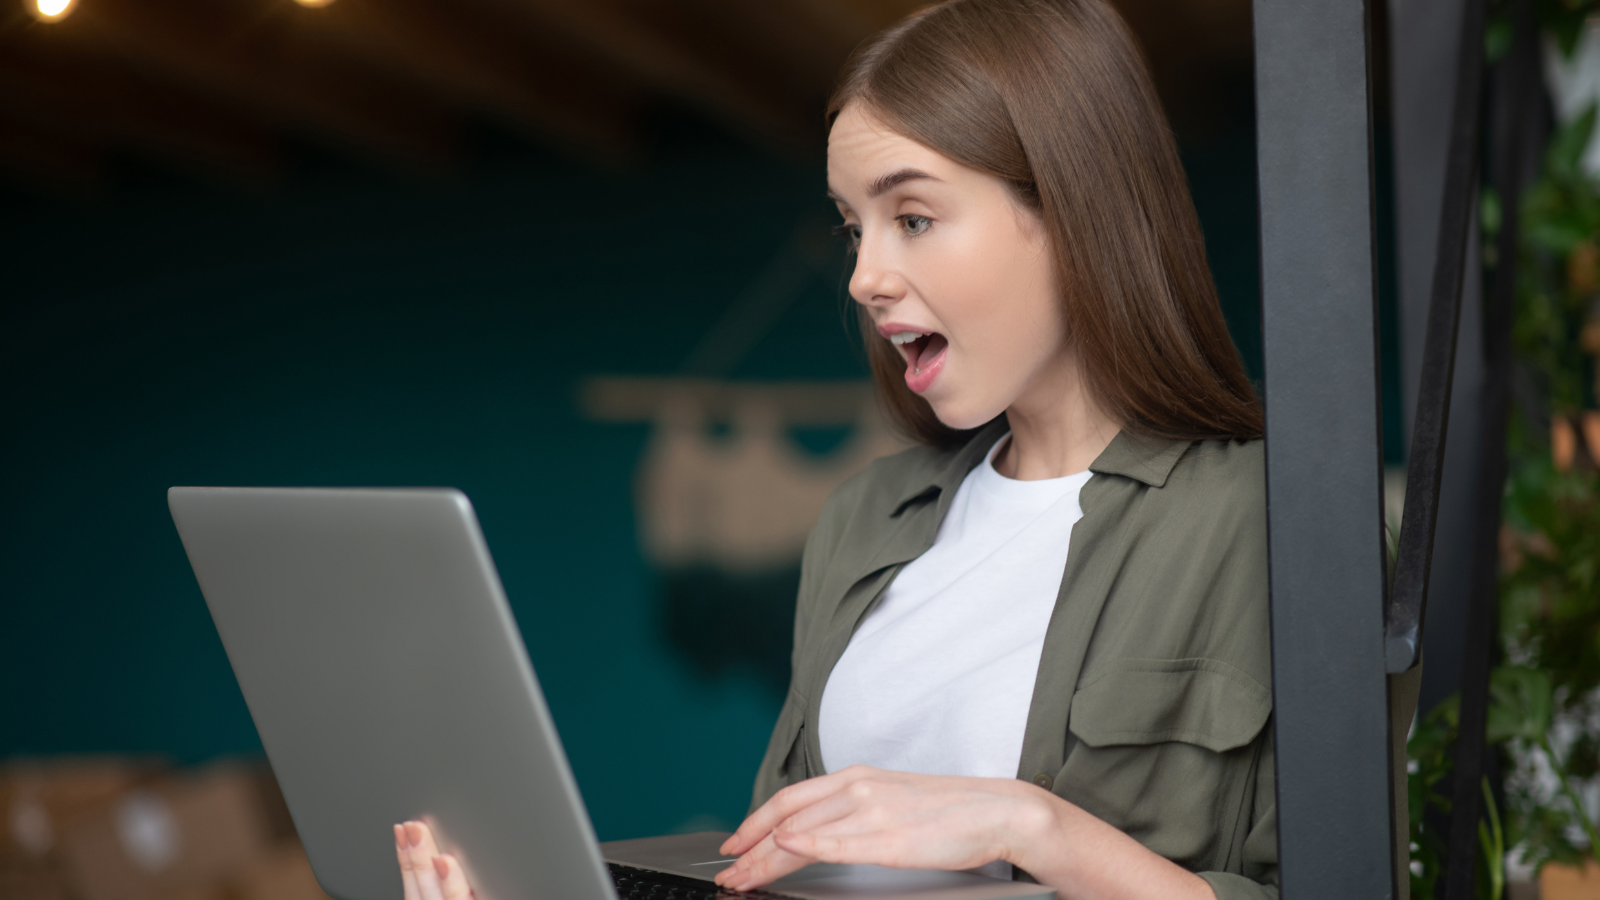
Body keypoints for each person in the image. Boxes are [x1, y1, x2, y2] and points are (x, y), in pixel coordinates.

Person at [395, 0, 1273, 898]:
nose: (863, 279)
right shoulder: (865, 517)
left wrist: (1030, 824)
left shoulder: (1264, 522)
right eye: (855, 226)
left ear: (1072, 207)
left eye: (915, 218)